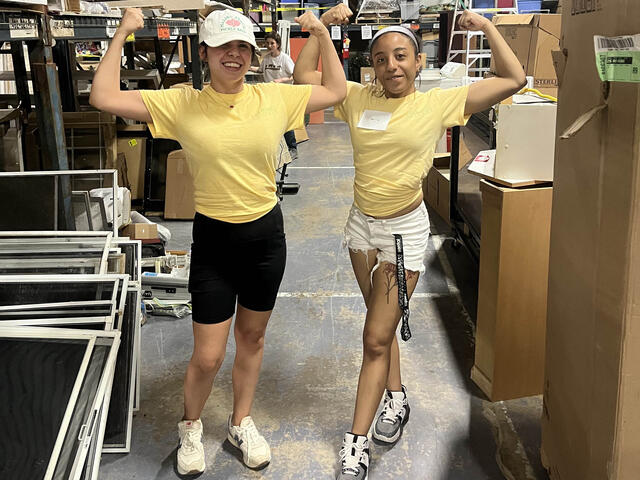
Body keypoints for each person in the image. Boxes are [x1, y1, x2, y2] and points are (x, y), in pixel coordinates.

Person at [89, 7, 346, 476]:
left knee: (253, 338)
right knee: (207, 356)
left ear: (252, 52)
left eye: (243, 47)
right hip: (215, 242)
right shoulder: (180, 103)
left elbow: (336, 90)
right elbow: (102, 95)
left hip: (267, 237)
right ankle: (191, 427)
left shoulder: (273, 97)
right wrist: (123, 30)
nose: (235, 55)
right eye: (224, 46)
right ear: (204, 52)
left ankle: (240, 422)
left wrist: (323, 33)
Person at [294, 5, 526, 479]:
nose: (392, 66)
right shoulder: (356, 98)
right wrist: (321, 27)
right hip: (361, 229)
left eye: (401, 56)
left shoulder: (439, 103)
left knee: (376, 335)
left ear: (419, 62)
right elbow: (303, 76)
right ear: (372, 66)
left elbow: (514, 77)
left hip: (402, 234)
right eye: (381, 59)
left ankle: (355, 441)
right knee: (380, 328)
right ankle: (396, 398)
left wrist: (487, 27)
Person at [256, 31, 299, 159]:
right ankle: (274, 148)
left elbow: (295, 75)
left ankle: (293, 148)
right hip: (270, 95)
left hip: (283, 95)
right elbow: (259, 70)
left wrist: (281, 80)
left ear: (278, 44)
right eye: (268, 43)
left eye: (272, 43)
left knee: (285, 122)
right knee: (271, 121)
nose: (269, 46)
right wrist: (246, 67)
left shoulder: (285, 59)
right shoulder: (266, 58)